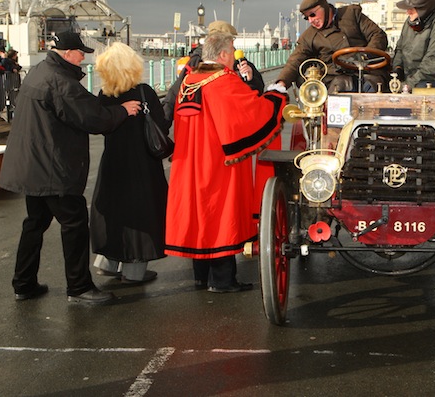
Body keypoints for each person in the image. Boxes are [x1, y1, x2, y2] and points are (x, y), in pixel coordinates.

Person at [0, 31, 141, 305]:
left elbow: (80, 108)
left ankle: (23, 283)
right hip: (53, 169)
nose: (83, 57)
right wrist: (123, 110)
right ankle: (79, 288)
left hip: (32, 165)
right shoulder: (60, 81)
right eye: (80, 52)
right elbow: (94, 119)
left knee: (35, 223)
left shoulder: (40, 71)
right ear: (66, 53)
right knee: (74, 225)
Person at [165, 31, 287, 293]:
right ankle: (222, 280)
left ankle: (201, 276)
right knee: (220, 216)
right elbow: (251, 113)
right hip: (218, 163)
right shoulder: (222, 81)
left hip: (191, 161)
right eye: (232, 51)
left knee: (200, 217)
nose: (234, 56)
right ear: (222, 54)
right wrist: (276, 97)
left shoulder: (189, 80)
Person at [89, 42, 169, 284]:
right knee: (143, 213)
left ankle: (108, 263)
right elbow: (161, 125)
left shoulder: (105, 96)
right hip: (142, 165)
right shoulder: (144, 92)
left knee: (114, 211)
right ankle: (134, 272)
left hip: (113, 162)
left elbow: (102, 126)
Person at [276, 0, 388, 93]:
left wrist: (365, 56)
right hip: (335, 78)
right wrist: (281, 83)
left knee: (375, 88)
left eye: (312, 15)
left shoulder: (351, 15)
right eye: (306, 18)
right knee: (338, 87)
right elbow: (295, 59)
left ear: (324, 7)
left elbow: (378, 35)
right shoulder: (309, 36)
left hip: (367, 72)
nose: (311, 20)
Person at [161, 20, 263, 122]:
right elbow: (176, 92)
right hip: (211, 121)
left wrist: (250, 80)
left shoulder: (239, 61)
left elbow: (176, 93)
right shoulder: (196, 61)